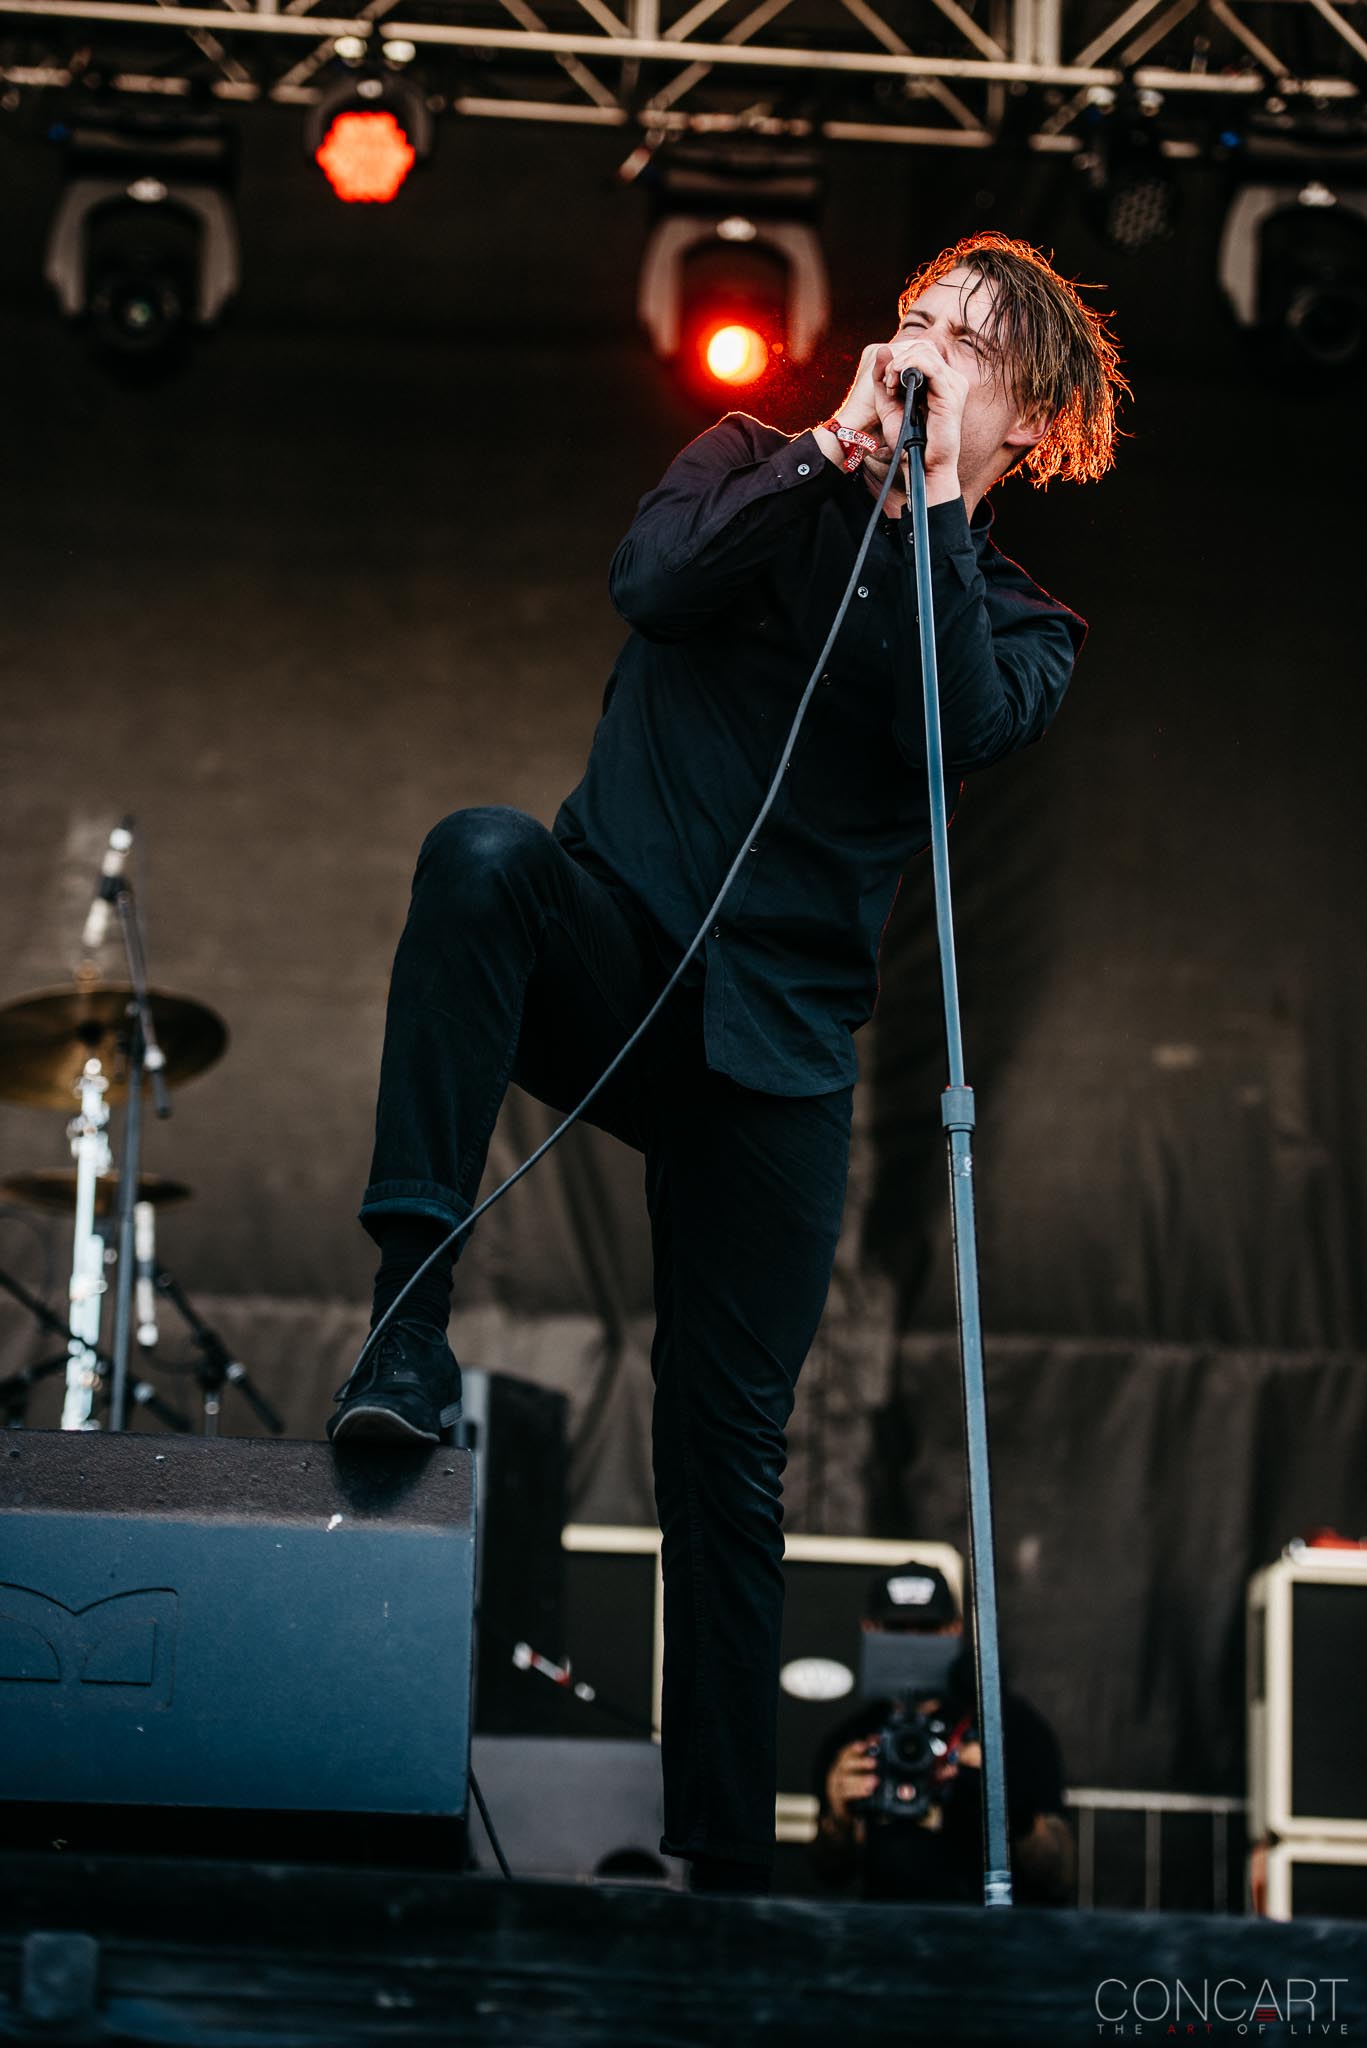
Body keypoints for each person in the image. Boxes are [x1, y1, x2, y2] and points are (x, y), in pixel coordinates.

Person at [326, 231, 1127, 1895]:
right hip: (615, 957)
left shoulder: (1020, 621)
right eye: (910, 319)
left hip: (776, 1054)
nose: (918, 349)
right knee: (477, 854)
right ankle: (404, 1329)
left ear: (1031, 423)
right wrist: (833, 456)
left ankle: (719, 1859)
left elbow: (951, 728)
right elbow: (651, 585)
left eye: (964, 344)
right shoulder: (744, 463)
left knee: (724, 1450)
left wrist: (917, 519)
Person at [812, 1564, 1075, 1903]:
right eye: (895, 1629)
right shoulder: (852, 1741)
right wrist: (839, 1818)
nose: (911, 1642)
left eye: (927, 1628)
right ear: (870, 1629)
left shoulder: (1011, 1728)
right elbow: (827, 1872)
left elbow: (1061, 1872)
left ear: (954, 1630)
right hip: (891, 1936)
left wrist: (1008, 1803)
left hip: (988, 1936)